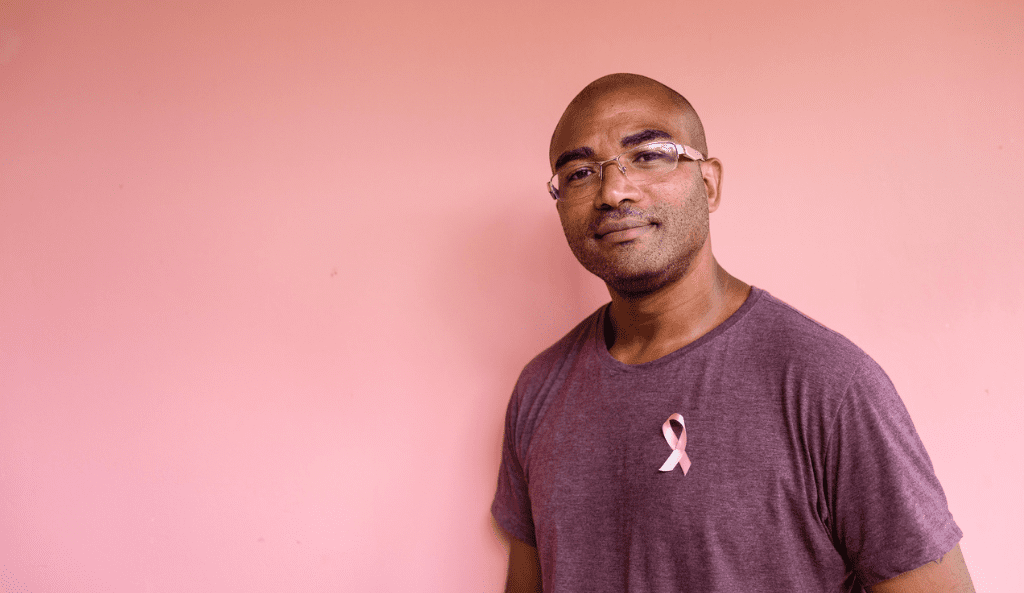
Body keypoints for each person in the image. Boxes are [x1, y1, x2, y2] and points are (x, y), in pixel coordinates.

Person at [491, 73, 974, 593]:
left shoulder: (826, 385)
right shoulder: (539, 391)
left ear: (709, 182)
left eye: (649, 155)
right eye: (580, 172)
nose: (613, 190)